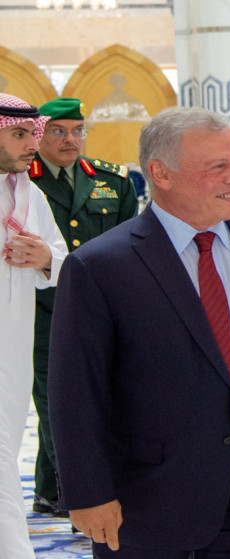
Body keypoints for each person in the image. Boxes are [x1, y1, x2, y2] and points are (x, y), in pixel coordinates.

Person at [47, 107, 230, 558]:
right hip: (145, 502)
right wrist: (87, 493)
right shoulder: (100, 266)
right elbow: (75, 393)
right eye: (217, 166)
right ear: (161, 173)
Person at [30, 97, 139, 518]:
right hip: (42, 310)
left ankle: (50, 488)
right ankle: (76, 492)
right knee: (56, 401)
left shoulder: (112, 180)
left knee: (102, 398)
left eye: (77, 131)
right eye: (58, 132)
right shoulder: (22, 180)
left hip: (102, 308)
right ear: (39, 134)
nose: (70, 140)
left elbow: (130, 244)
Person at [0, 93, 67, 559]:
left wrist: (45, 259)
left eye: (31, 134)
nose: (31, 145)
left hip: (13, 348)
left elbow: (62, 261)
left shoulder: (30, 195)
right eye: (19, 135)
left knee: (6, 443)